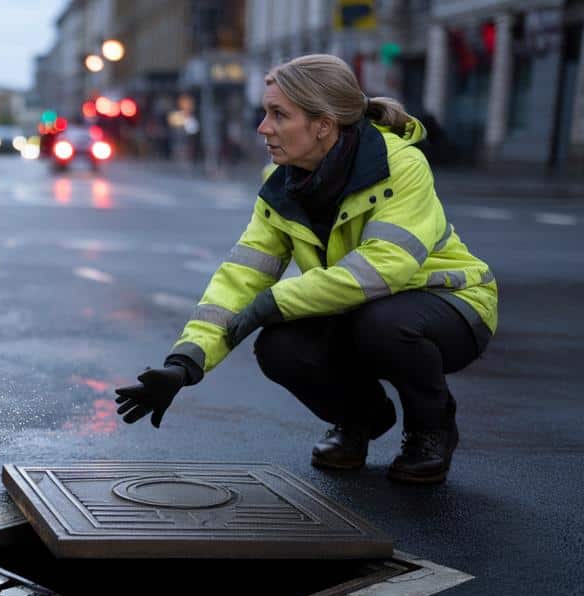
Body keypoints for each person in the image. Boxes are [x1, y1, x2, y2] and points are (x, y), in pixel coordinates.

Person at [115, 54, 498, 485]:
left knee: (382, 324)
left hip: (452, 303)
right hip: (357, 307)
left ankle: (432, 428)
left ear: (323, 124)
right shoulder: (284, 183)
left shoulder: (401, 165)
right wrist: (185, 363)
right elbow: (242, 277)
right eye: (265, 113)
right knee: (280, 345)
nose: (263, 128)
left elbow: (383, 269)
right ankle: (360, 422)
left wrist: (274, 301)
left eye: (279, 114)